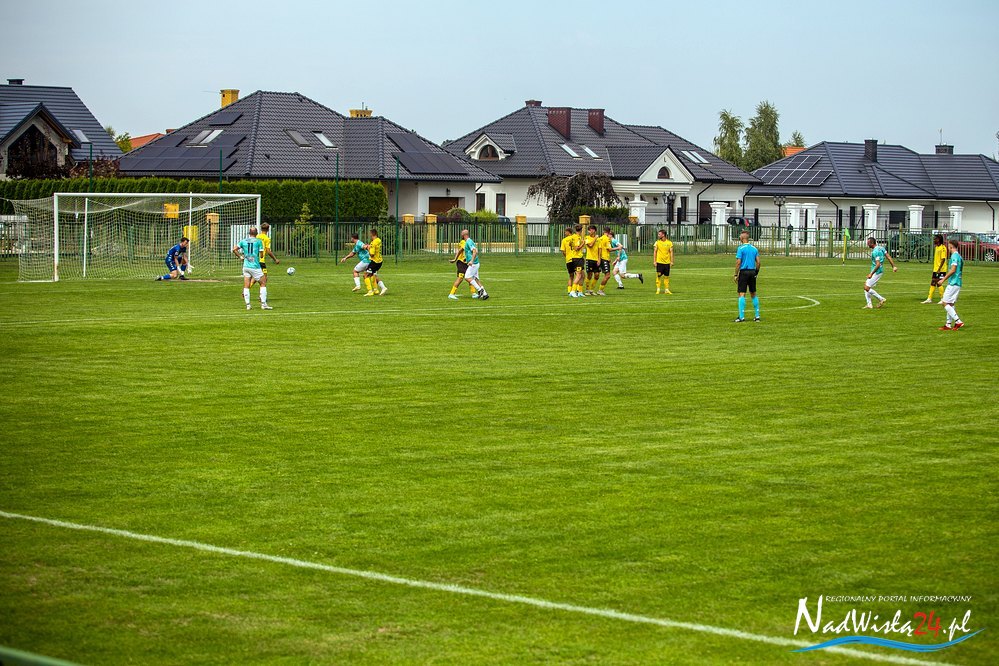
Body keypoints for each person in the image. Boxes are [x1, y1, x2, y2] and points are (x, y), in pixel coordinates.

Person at [233, 227, 271, 310]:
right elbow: (261, 254)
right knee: (263, 283)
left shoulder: (243, 241)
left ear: (249, 233)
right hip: (255, 266)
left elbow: (234, 249)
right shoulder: (259, 241)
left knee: (246, 285)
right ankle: (263, 304)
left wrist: (240, 257)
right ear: (256, 233)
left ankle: (248, 305)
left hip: (246, 266)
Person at [863, 237, 898, 309]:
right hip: (879, 271)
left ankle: (881, 298)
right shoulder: (881, 248)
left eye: (868, 243)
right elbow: (888, 257)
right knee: (866, 286)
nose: (867, 244)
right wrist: (893, 266)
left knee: (866, 287)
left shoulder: (875, 252)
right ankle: (869, 304)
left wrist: (871, 274)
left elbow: (878, 264)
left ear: (871, 243)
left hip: (877, 271)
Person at [733, 230, 760, 322]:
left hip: (744, 272)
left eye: (740, 236)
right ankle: (757, 316)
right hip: (752, 272)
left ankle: (741, 317)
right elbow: (758, 263)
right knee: (753, 293)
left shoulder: (741, 248)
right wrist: (756, 273)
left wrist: (736, 274)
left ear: (742, 238)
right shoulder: (754, 248)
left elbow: (738, 262)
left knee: (741, 293)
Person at [938, 239, 965, 330]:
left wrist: (943, 280)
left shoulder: (954, 256)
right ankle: (948, 324)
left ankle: (958, 321)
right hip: (958, 282)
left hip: (953, 283)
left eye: (948, 246)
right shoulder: (959, 256)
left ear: (951, 246)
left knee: (944, 302)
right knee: (950, 304)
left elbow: (953, 270)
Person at [447, 235, 479, 300]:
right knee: (460, 278)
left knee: (470, 278)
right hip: (461, 262)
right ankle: (451, 294)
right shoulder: (463, 242)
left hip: (467, 263)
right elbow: (460, 250)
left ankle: (473, 293)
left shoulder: (469, 242)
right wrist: (455, 259)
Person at [461, 228, 489, 300]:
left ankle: (480, 290)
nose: (461, 235)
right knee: (476, 279)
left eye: (461, 234)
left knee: (467, 277)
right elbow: (470, 252)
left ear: (464, 235)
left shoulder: (468, 241)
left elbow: (474, 251)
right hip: (475, 263)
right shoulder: (469, 241)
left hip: (473, 264)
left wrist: (471, 261)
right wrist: (467, 259)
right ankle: (485, 294)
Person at [255, 222, 280, 296]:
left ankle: (246, 290)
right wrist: (275, 259)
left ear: (261, 229)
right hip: (261, 260)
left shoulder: (257, 237)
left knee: (255, 278)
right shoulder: (267, 238)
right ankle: (261, 296)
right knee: (264, 279)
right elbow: (268, 251)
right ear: (268, 229)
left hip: (255, 259)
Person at [923, 234, 947, 303]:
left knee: (939, 283)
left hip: (941, 269)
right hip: (936, 269)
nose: (934, 240)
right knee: (933, 282)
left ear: (939, 239)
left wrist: (939, 269)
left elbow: (943, 259)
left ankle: (943, 299)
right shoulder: (937, 247)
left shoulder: (943, 248)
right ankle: (929, 298)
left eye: (935, 239)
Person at [364, 228, 387, 296]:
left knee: (365, 275)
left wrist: (368, 248)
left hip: (375, 262)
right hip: (379, 261)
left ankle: (370, 291)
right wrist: (370, 246)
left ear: (372, 234)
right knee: (372, 275)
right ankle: (377, 290)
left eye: (369, 234)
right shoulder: (378, 240)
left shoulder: (373, 242)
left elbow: (372, 254)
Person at [653, 229, 674, 294]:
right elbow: (655, 252)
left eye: (659, 234)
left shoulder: (669, 243)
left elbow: (671, 252)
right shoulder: (657, 242)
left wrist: (672, 261)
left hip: (667, 263)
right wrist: (654, 261)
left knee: (666, 276)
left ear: (663, 235)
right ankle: (658, 289)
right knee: (659, 275)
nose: (658, 235)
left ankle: (666, 289)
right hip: (659, 262)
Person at [583, 225, 602, 295]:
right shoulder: (586, 238)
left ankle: (591, 290)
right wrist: (595, 238)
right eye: (590, 230)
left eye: (592, 229)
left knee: (597, 275)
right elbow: (590, 245)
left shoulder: (599, 240)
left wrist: (599, 259)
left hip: (596, 259)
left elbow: (600, 249)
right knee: (589, 275)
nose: (591, 231)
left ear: (595, 230)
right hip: (589, 259)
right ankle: (587, 290)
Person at [595, 227, 614, 295]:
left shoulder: (600, 238)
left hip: (602, 258)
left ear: (603, 231)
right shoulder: (607, 239)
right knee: (607, 275)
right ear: (609, 232)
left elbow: (600, 249)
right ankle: (600, 290)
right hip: (604, 258)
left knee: (599, 274)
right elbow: (609, 249)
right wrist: (618, 248)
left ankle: (591, 289)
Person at [559, 227, 576, 296]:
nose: (564, 233)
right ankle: (577, 290)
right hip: (576, 258)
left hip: (568, 260)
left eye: (565, 232)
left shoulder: (564, 240)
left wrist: (567, 256)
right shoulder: (574, 238)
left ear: (568, 232)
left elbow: (563, 251)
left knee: (571, 276)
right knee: (579, 275)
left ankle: (569, 291)